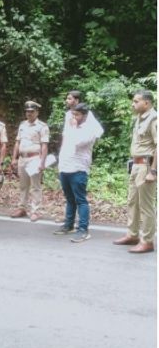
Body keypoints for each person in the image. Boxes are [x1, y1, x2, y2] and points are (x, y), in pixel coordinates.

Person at [52, 103, 104, 243]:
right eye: (73, 114)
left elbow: (77, 142)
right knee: (69, 198)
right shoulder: (70, 125)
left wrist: (73, 126)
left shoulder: (89, 129)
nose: (74, 117)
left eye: (77, 115)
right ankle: (68, 225)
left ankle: (83, 230)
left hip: (79, 168)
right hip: (65, 166)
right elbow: (65, 143)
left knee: (80, 200)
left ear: (85, 115)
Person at [113, 90, 157, 253]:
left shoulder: (154, 118)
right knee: (132, 202)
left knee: (146, 206)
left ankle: (147, 241)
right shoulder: (139, 118)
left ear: (146, 102)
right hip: (136, 165)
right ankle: (133, 235)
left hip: (146, 166)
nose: (133, 104)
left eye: (136, 101)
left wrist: (153, 171)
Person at [11, 101, 50, 221]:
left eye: (32, 111)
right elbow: (18, 142)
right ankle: (21, 208)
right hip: (23, 158)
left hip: (34, 158)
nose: (29, 114)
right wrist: (14, 158)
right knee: (23, 185)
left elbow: (44, 145)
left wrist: (42, 162)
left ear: (37, 112)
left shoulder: (42, 126)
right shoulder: (22, 125)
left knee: (35, 186)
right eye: (27, 111)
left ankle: (35, 210)